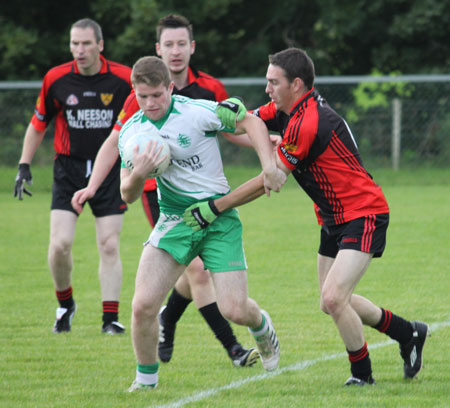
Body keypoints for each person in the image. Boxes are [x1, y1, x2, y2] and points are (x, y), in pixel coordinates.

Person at [184, 47, 430, 386]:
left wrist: (215, 207)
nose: (267, 88)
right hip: (332, 216)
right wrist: (210, 118)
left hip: (364, 212)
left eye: (274, 82)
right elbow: (249, 122)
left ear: (296, 84)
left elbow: (268, 182)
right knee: (330, 302)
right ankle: (407, 332)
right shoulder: (287, 108)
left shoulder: (307, 121)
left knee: (334, 297)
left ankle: (363, 377)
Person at [72, 14, 262, 367]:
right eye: (168, 45)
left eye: (181, 44)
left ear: (192, 47)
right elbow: (114, 143)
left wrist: (266, 142)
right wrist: (92, 185)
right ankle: (233, 348)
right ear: (159, 49)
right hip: (158, 193)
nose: (175, 51)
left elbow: (233, 131)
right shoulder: (140, 96)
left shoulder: (208, 90)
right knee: (196, 271)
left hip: (206, 195)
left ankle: (169, 319)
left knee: (194, 271)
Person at [119, 56, 285, 391]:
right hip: (175, 220)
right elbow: (127, 193)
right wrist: (139, 171)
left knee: (235, 310)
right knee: (142, 306)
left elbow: (251, 122)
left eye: (157, 95)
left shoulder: (196, 112)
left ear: (169, 87)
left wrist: (268, 165)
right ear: (134, 92)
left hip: (219, 219)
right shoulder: (132, 132)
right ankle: (146, 381)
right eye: (143, 96)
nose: (150, 103)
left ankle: (262, 327)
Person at [13, 18, 132, 335]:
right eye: (74, 44)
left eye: (86, 44)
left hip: (109, 170)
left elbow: (142, 118)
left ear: (100, 45)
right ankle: (65, 305)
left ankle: (110, 320)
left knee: (109, 244)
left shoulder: (123, 79)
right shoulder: (56, 79)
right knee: (60, 245)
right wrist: (24, 164)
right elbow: (39, 123)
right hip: (68, 169)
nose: (79, 50)